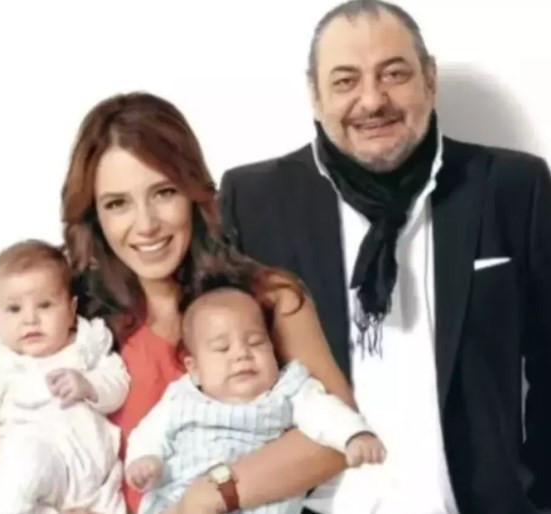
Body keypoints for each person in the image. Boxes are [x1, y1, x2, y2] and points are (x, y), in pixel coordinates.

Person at [0, 92, 361, 514]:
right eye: (118, 204)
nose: (146, 225)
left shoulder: (267, 299)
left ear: (192, 191)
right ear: (95, 216)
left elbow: (335, 437)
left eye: (163, 192)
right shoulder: (77, 318)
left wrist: (213, 493)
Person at [219, 1, 551, 513]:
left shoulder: (512, 187)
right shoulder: (254, 201)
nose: (372, 100)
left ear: (430, 80)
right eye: (345, 81)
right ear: (315, 95)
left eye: (394, 74)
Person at [125, 280, 385, 514]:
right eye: (222, 348)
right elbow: (150, 432)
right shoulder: (182, 397)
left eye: (256, 342)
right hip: (180, 499)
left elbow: (326, 412)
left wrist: (354, 435)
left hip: (259, 499)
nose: (242, 354)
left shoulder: (288, 388)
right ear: (194, 369)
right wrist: (145, 460)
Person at [0, 239, 129, 514]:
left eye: (45, 305)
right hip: (36, 465)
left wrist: (89, 386)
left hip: (95, 473)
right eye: (14, 309)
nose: (30, 319)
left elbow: (119, 383)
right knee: (14, 478)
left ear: (71, 310)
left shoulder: (87, 343)